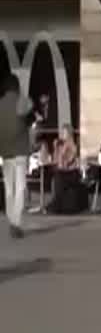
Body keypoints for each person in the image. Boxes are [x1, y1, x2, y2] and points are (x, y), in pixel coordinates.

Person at [0, 73, 34, 238]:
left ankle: (10, 220)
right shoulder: (20, 101)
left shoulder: (0, 104)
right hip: (20, 151)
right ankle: (16, 222)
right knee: (20, 187)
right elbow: (30, 107)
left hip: (6, 152)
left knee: (9, 188)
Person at [49, 124, 85, 215]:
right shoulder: (61, 144)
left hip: (72, 172)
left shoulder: (72, 145)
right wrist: (56, 148)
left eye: (64, 132)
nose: (62, 134)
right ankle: (56, 204)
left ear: (69, 133)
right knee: (57, 176)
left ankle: (56, 205)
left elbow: (69, 161)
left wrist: (63, 152)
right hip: (63, 171)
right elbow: (56, 160)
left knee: (59, 178)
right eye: (62, 132)